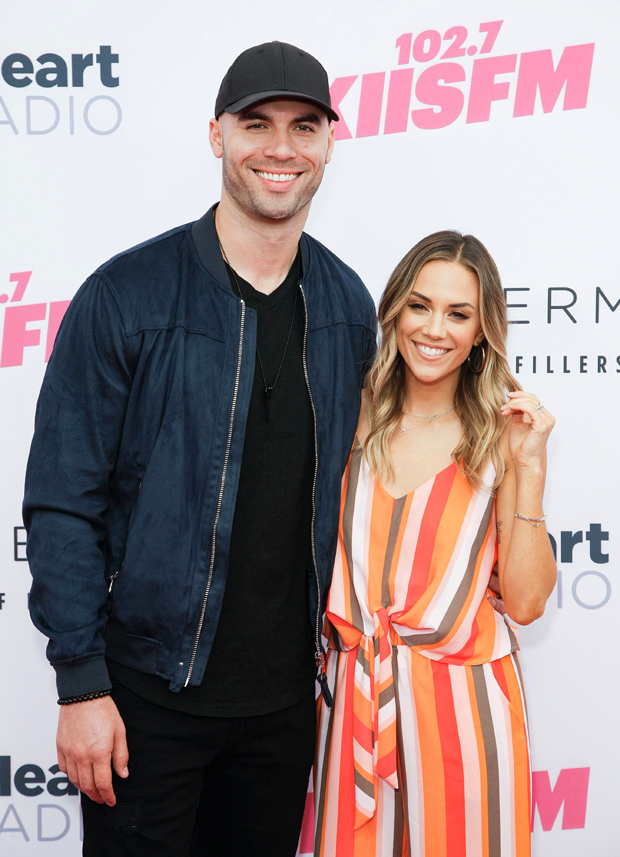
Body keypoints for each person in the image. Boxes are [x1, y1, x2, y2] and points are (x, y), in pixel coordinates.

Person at [23, 41, 377, 857]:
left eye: (304, 126)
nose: (281, 148)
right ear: (217, 135)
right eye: (256, 124)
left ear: (329, 142)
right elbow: (61, 502)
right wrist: (81, 684)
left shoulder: (347, 304)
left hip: (287, 710)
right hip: (147, 703)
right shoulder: (126, 295)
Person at [312, 231, 557, 857]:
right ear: (394, 310)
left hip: (466, 716)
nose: (435, 329)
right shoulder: (347, 413)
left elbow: (526, 602)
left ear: (482, 333)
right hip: (355, 703)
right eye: (420, 305)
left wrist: (529, 470)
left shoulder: (501, 436)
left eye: (459, 314)